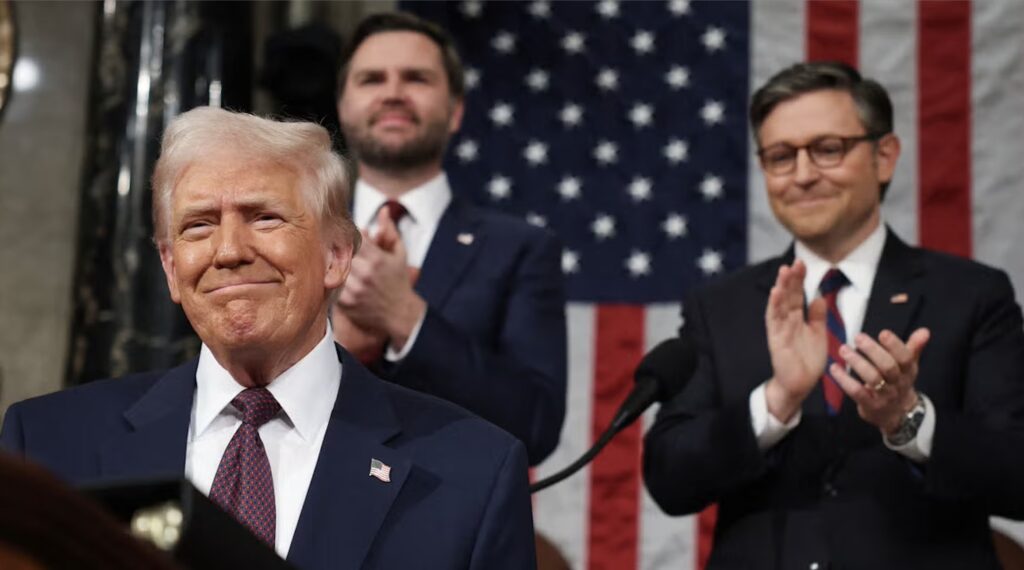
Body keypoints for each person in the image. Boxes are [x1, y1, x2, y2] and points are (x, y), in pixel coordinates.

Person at [1, 107, 537, 570]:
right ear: (169, 267)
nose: (229, 250)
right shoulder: (45, 446)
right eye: (198, 226)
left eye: (264, 217)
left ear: (337, 255)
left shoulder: (472, 474)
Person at [643, 62, 1024, 569]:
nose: (802, 175)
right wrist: (775, 404)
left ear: (884, 156)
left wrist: (908, 420)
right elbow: (670, 479)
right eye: (781, 157)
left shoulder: (972, 295)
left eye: (827, 149)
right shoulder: (721, 306)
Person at [332, 12, 567, 466]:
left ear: (456, 111)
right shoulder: (293, 239)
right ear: (343, 106)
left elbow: (534, 427)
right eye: (371, 79)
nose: (393, 93)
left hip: (446, 525)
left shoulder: (520, 248)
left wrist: (405, 316)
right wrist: (333, 348)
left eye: (416, 78)